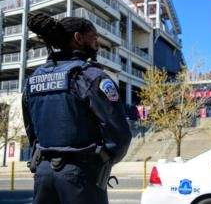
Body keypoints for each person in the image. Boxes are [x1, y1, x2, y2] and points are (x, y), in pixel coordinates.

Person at [22, 13, 132, 204]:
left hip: (43, 173)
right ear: (78, 39)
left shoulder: (34, 78)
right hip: (81, 173)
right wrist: (104, 161)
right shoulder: (91, 76)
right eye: (94, 38)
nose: (97, 44)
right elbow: (119, 133)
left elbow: (31, 129)